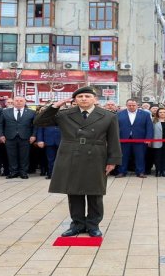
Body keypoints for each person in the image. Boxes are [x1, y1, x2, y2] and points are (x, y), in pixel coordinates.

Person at [35, 86, 122, 238]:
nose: (84, 99)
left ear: (95, 99)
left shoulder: (108, 116)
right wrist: (56, 106)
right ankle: (77, 224)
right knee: (73, 192)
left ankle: (93, 225)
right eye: (80, 97)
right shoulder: (64, 114)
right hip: (71, 155)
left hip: (96, 156)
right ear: (75, 100)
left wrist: (113, 160)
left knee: (95, 193)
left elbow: (114, 140)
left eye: (87, 96)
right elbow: (39, 121)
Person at [0, 96, 36, 179]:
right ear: (13, 102)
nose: (19, 102)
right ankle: (13, 172)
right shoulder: (5, 112)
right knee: (11, 155)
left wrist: (33, 135)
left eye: (21, 101)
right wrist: (1, 135)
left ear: (25, 102)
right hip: (9, 137)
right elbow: (0, 124)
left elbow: (35, 125)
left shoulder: (31, 112)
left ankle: (23, 172)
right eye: (16, 100)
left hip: (25, 137)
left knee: (24, 156)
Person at [117, 98, 153, 178]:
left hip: (140, 139)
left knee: (140, 156)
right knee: (123, 156)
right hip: (123, 138)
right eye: (129, 105)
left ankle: (140, 172)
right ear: (126, 105)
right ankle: (122, 172)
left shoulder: (145, 114)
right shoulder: (119, 114)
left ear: (137, 105)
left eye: (133, 105)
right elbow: (116, 127)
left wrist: (148, 138)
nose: (131, 107)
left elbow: (149, 127)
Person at [35, 114, 61, 180]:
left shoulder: (65, 115)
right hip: (49, 141)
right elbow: (40, 129)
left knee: (62, 160)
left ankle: (61, 175)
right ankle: (51, 174)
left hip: (62, 141)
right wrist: (40, 140)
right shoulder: (45, 117)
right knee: (50, 159)